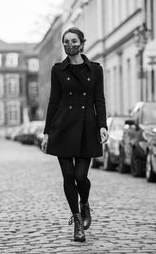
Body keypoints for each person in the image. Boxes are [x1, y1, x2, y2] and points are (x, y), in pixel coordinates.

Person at [41, 27, 108, 242]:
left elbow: (99, 99)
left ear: (82, 43)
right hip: (62, 128)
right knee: (68, 176)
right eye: (66, 41)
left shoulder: (95, 70)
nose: (70, 45)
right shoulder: (58, 70)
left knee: (81, 176)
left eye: (74, 41)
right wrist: (46, 133)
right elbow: (53, 102)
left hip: (87, 127)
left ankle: (85, 203)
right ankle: (77, 221)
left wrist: (102, 125)